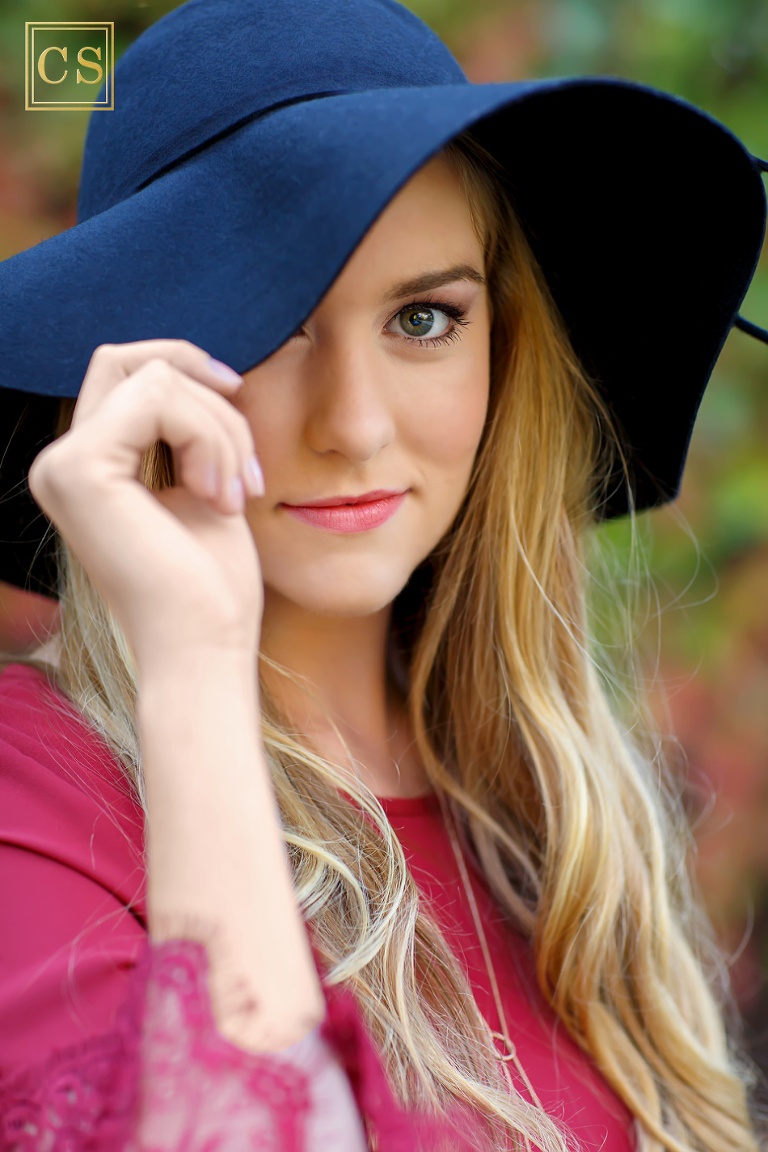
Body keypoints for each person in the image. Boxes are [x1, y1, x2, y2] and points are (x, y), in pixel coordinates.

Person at [0, 0, 766, 1148]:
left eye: (423, 317)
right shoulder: (33, 797)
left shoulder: (557, 820)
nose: (355, 424)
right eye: (268, 323)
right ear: (136, 373)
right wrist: (197, 673)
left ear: (502, 352)